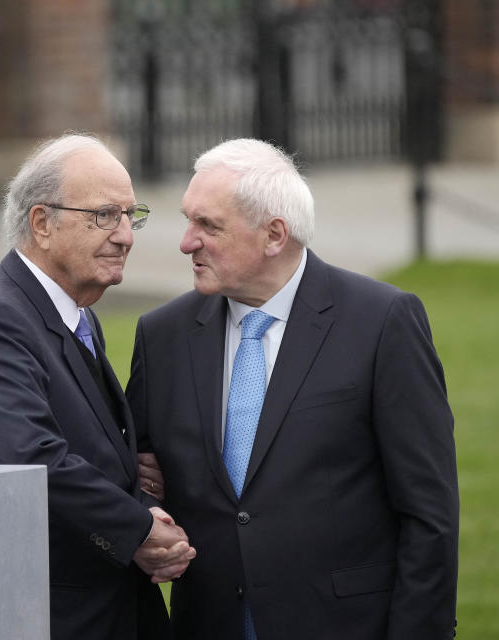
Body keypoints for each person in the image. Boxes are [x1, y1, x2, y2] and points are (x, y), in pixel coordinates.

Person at [127, 138, 459, 639]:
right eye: (187, 219)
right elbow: (133, 471)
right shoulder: (162, 336)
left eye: (208, 225)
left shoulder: (381, 321)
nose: (186, 241)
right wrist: (143, 498)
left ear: (274, 235)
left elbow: (429, 513)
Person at [0, 134, 195, 640]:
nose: (125, 235)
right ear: (42, 224)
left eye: (129, 215)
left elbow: (96, 454)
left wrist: (144, 508)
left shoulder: (74, 313)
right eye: (104, 215)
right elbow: (31, 460)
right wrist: (139, 530)